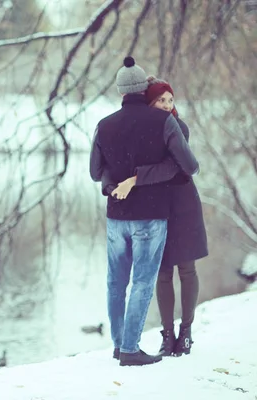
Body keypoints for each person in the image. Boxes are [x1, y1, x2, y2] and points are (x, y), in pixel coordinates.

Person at [89, 57, 200, 366]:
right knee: (142, 281)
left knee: (116, 282)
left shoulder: (104, 124)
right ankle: (129, 348)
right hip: (151, 215)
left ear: (120, 90)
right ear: (144, 89)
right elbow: (190, 166)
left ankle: (118, 345)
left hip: (116, 215)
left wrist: (121, 182)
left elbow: (95, 172)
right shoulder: (164, 122)